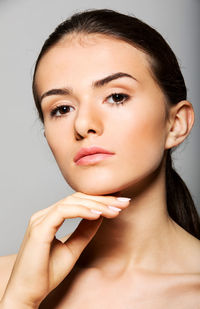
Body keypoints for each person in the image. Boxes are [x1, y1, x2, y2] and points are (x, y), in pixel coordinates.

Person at [0, 8, 200, 308]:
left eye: (116, 97)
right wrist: (21, 300)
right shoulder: (9, 282)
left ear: (176, 124)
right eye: (61, 109)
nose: (82, 125)